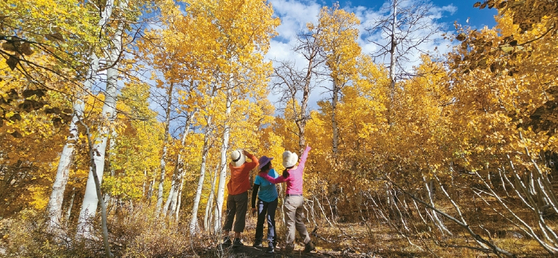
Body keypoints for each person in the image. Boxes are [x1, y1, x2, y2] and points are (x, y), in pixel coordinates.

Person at [258, 145, 315, 253]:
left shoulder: (287, 174)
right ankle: (308, 243)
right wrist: (307, 150)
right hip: (300, 199)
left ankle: (289, 248)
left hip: (291, 200)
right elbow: (303, 160)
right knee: (299, 222)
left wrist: (264, 175)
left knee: (290, 224)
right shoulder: (300, 169)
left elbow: (274, 181)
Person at [222, 149, 259, 248]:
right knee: (240, 215)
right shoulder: (245, 167)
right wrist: (248, 154)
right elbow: (256, 162)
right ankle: (236, 239)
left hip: (231, 194)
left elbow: (233, 162)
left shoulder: (231, 166)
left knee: (229, 215)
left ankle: (226, 237)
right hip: (241, 194)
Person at [251, 156, 280, 253]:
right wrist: (253, 206)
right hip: (262, 200)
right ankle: (258, 240)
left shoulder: (273, 172)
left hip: (273, 199)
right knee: (260, 220)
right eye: (269, 163)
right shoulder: (258, 177)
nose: (271, 164)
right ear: (267, 165)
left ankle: (271, 242)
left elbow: (280, 180)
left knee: (270, 219)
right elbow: (254, 191)